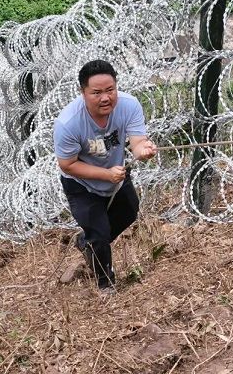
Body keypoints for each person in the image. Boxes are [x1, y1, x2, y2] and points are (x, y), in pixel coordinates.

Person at [54, 60, 157, 295]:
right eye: (96, 92)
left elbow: (138, 142)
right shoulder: (68, 123)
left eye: (110, 90)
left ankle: (87, 241)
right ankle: (105, 283)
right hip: (81, 182)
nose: (105, 98)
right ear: (83, 93)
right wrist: (106, 174)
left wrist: (143, 151)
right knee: (100, 233)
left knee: (129, 212)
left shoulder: (129, 106)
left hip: (116, 175)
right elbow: (67, 164)